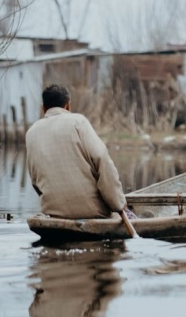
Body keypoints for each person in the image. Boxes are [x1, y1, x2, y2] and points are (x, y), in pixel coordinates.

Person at [26, 84, 132, 219]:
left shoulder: (31, 132)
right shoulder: (78, 121)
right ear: (68, 106)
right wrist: (118, 204)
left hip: (54, 213)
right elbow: (103, 162)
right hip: (93, 212)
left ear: (43, 108)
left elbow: (35, 180)